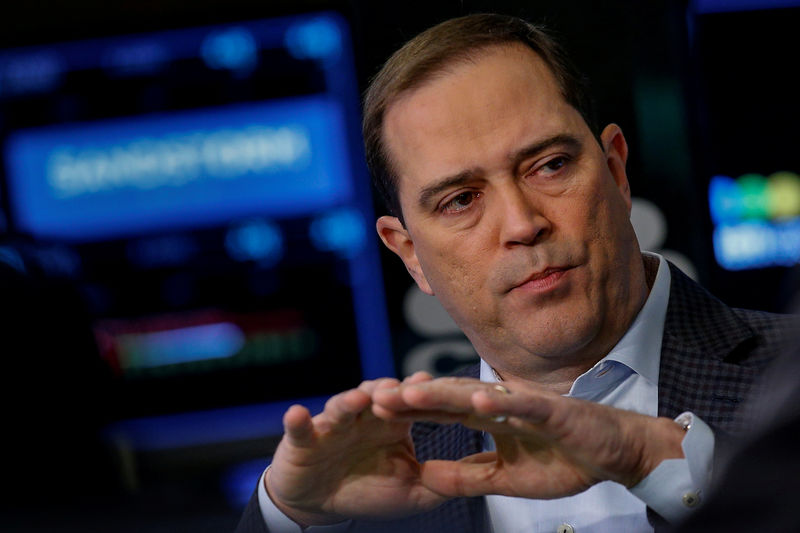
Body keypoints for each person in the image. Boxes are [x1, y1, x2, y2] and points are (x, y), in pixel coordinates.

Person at [235, 14, 795, 533]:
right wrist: (288, 515)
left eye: (549, 166)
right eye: (460, 200)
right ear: (409, 253)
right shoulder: (375, 486)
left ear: (616, 173)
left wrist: (662, 461)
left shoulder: (788, 377)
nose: (523, 224)